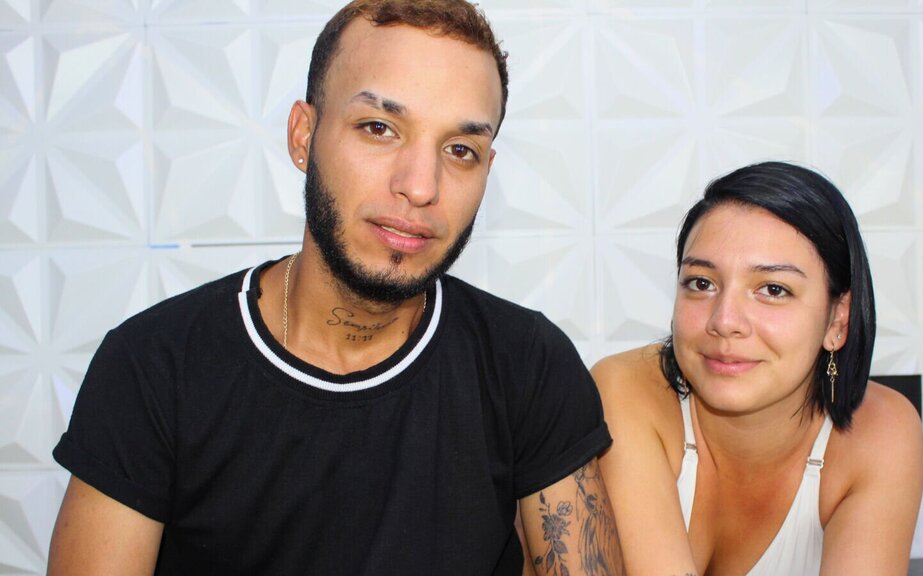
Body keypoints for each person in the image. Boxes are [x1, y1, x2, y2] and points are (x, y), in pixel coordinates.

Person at [47, 1, 625, 574]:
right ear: (303, 135)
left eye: (460, 150)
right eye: (379, 128)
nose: (421, 186)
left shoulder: (527, 365)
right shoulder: (155, 366)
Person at [594, 161, 923, 575]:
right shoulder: (624, 390)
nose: (725, 320)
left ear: (837, 320)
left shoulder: (880, 432)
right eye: (701, 283)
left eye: (773, 289)